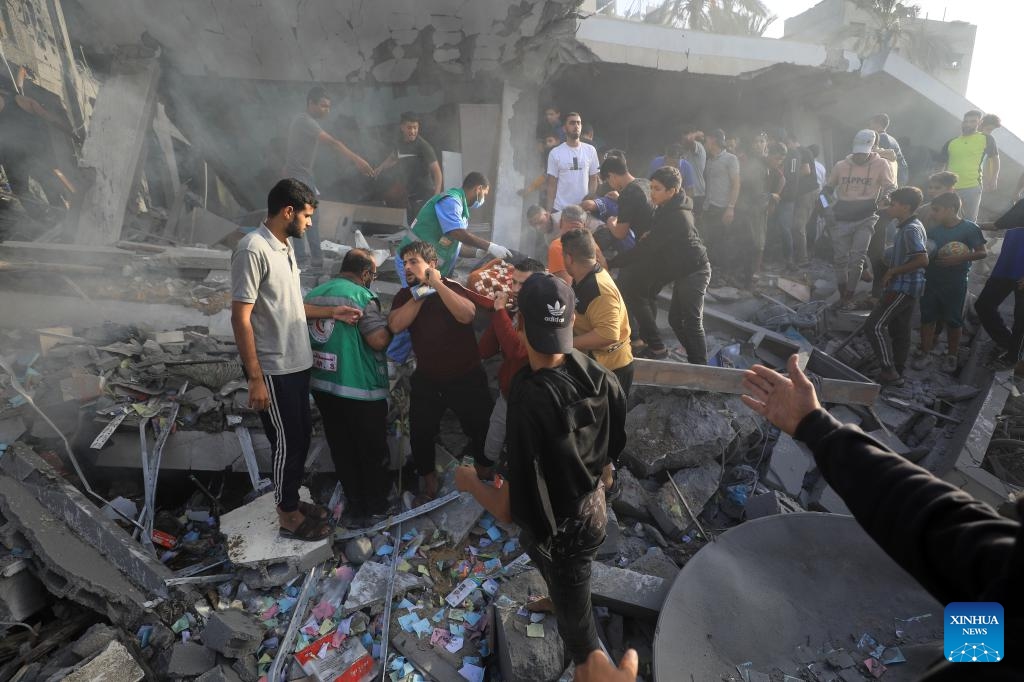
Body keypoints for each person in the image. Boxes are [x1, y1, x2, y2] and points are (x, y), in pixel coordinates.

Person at [577, 353, 1023, 681]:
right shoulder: (1005, 577)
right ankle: (945, 653)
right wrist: (817, 427)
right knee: (978, 632)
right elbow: (934, 521)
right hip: (988, 636)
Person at [453, 272, 627, 669]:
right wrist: (597, 470)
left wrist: (470, 483)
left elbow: (505, 509)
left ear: (518, 324)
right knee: (535, 546)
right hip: (591, 504)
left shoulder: (528, 397)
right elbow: (613, 452)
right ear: (571, 321)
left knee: (579, 631)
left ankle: (590, 662)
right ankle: (560, 596)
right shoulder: (596, 372)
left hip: (569, 531)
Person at [231, 179, 359, 540]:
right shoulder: (252, 249)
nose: (310, 223)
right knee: (288, 443)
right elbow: (241, 317)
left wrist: (332, 312)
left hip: (297, 364)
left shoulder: (284, 247)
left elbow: (289, 305)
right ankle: (287, 514)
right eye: (306, 216)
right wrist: (255, 378)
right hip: (274, 368)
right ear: (288, 211)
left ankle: (290, 500)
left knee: (298, 438)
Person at [388, 241, 494, 501]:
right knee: (421, 431)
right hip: (429, 378)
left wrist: (437, 284)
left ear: (432, 264)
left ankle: (485, 476)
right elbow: (396, 324)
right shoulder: (405, 295)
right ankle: (429, 481)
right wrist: (421, 293)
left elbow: (466, 315)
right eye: (405, 263)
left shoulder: (452, 287)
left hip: (466, 375)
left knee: (480, 427)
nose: (407, 267)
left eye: (414, 262)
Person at [304, 249, 393, 522]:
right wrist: (393, 326)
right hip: (360, 389)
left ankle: (354, 505)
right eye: (373, 275)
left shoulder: (315, 294)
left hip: (323, 386)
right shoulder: (361, 296)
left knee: (342, 448)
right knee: (371, 451)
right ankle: (376, 507)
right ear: (365, 274)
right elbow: (377, 340)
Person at [610, 166, 711, 364]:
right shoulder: (666, 207)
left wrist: (612, 263)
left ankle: (701, 367)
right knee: (675, 320)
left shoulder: (677, 216)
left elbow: (646, 248)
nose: (652, 193)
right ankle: (694, 360)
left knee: (691, 322)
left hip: (694, 271)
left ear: (672, 191)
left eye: (657, 189)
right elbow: (655, 237)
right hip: (680, 270)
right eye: (651, 187)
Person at [281, 86, 374, 271]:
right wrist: (357, 160)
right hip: (300, 176)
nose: (327, 110)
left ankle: (309, 260)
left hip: (303, 175)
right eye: (323, 106)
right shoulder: (305, 121)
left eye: (329, 107)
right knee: (305, 218)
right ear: (311, 103)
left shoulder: (303, 121)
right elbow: (333, 143)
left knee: (305, 217)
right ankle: (307, 262)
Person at [478, 258, 545, 465]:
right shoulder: (514, 310)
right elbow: (485, 350)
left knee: (522, 455)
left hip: (530, 401)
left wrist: (500, 312)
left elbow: (517, 351)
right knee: (491, 449)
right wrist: (502, 313)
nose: (515, 289)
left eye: (522, 284)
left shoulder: (542, 315)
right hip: (507, 393)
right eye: (514, 282)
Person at [912, 192, 986, 374]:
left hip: (955, 282)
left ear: (951, 209)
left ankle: (952, 355)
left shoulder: (969, 228)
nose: (933, 214)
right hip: (932, 280)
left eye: (936, 210)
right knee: (927, 317)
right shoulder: (933, 231)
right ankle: (925, 352)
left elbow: (982, 252)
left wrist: (958, 259)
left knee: (954, 320)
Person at [396, 172, 512, 283]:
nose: (483, 200)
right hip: (413, 262)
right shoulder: (451, 201)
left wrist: (477, 253)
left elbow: (454, 245)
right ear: (478, 189)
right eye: (484, 194)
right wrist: (490, 246)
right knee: (417, 296)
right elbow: (457, 233)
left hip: (425, 266)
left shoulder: (461, 211)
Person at [864, 187, 928, 386]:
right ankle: (898, 369)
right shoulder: (909, 225)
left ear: (906, 207)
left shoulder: (910, 229)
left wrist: (892, 272)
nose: (889, 208)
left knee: (874, 326)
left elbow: (922, 259)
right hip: (910, 286)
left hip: (903, 286)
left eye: (893, 205)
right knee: (900, 329)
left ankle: (888, 371)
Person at [825, 129, 896, 308]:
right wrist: (826, 208)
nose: (859, 157)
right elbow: (825, 191)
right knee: (840, 259)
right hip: (842, 216)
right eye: (856, 153)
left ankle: (848, 297)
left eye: (863, 154)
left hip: (866, 217)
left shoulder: (881, 164)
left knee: (857, 259)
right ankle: (842, 291)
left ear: (871, 149)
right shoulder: (841, 165)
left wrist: (887, 196)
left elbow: (891, 186)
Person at [562, 228, 635, 395]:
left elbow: (608, 334)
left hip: (611, 372)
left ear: (569, 258)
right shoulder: (583, 277)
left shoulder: (599, 290)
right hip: (595, 366)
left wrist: (565, 343)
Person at [974, 198, 1024, 374]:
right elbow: (998, 225)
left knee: (1021, 319)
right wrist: (970, 225)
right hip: (1007, 266)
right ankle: (1007, 343)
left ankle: (1013, 358)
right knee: (983, 305)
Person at [373, 111, 443, 222]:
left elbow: (437, 172)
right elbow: (393, 157)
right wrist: (380, 168)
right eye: (409, 128)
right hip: (409, 193)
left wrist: (436, 196)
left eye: (415, 128)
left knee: (419, 224)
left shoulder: (423, 146)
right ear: (402, 127)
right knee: (408, 222)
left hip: (424, 193)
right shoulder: (399, 143)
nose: (413, 131)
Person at [736, 139, 785, 287]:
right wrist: (772, 196)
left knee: (758, 243)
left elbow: (782, 179)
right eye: (777, 159)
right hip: (750, 210)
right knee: (755, 244)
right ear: (769, 155)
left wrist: (773, 200)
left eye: (781, 160)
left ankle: (752, 275)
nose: (779, 162)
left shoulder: (768, 167)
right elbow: (756, 195)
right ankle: (749, 277)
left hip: (757, 209)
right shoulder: (758, 168)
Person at [938, 110, 999, 222]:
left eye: (972, 121)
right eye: (966, 121)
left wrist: (993, 178)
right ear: (962, 123)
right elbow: (941, 165)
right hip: (950, 188)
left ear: (979, 123)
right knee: (944, 219)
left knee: (968, 222)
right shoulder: (951, 142)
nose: (968, 124)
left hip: (972, 187)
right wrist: (939, 185)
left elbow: (995, 159)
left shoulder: (986, 138)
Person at [776, 129, 818, 267]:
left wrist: (789, 176)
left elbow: (806, 170)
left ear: (791, 141)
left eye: (786, 143)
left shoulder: (801, 151)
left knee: (798, 226)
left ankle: (802, 259)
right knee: (796, 225)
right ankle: (799, 255)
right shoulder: (798, 152)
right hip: (801, 193)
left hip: (807, 192)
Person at [701, 129, 741, 273]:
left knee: (722, 242)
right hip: (709, 206)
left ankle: (725, 273)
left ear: (713, 140)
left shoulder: (731, 159)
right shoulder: (709, 161)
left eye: (706, 140)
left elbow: (736, 184)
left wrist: (731, 207)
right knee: (710, 241)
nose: (705, 143)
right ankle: (712, 273)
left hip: (722, 207)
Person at [545, 112, 601, 213]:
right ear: (564, 128)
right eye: (572, 123)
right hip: (561, 209)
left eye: (578, 123)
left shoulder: (590, 150)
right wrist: (549, 211)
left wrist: (589, 201)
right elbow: (551, 185)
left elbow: (593, 179)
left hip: (583, 210)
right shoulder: (555, 153)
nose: (576, 126)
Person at [547, 204, 607, 284]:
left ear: (560, 222)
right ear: (584, 226)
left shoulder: (557, 245)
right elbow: (604, 268)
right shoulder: (591, 242)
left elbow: (567, 285)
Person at [869, 114, 908, 185]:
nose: (869, 127)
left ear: (877, 124)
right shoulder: (891, 138)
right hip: (899, 176)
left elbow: (880, 161)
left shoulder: (881, 138)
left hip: (893, 178)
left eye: (871, 124)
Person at [680, 125, 707, 215]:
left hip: (697, 194)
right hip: (687, 193)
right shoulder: (686, 152)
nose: (682, 141)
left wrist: (696, 134)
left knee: (695, 221)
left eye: (683, 138)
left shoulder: (698, 146)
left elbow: (688, 139)